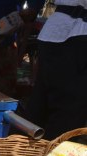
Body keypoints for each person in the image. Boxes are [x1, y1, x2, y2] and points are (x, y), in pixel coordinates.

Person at [25, 0, 87, 140]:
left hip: (57, 32)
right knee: (68, 111)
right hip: (77, 35)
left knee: (42, 103)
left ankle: (27, 155)